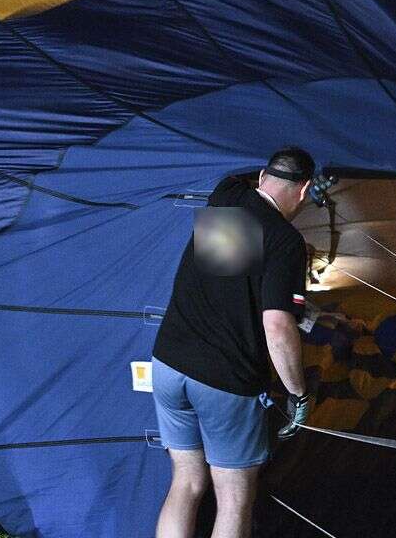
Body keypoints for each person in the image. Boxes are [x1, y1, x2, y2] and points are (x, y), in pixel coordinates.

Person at [151, 147, 317, 538]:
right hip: (224, 381)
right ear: (304, 189)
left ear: (262, 176)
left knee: (187, 482)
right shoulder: (285, 241)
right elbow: (277, 326)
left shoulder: (226, 196)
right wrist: (298, 394)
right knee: (234, 498)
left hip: (169, 364)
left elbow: (233, 281)